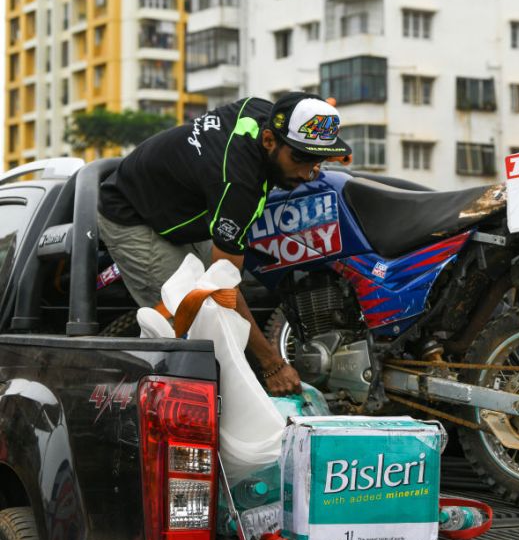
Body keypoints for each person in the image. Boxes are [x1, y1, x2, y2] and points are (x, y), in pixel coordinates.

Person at [97, 92, 352, 395]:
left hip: (181, 203)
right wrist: (271, 363)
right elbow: (223, 288)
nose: (309, 173)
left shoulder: (264, 113)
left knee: (223, 304)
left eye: (318, 160)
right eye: (300, 158)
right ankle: (173, 413)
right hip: (133, 214)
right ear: (269, 141)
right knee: (188, 323)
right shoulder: (240, 184)